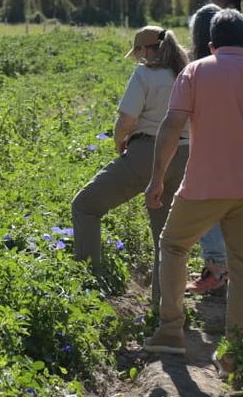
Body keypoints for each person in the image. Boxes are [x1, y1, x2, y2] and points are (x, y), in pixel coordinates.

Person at [143, 9, 243, 373]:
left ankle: (170, 331)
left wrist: (156, 179)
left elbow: (171, 129)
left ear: (212, 45)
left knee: (172, 246)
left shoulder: (196, 72)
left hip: (203, 186)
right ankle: (236, 350)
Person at [71, 26, 189, 306]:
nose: (138, 58)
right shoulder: (188, 74)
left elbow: (127, 120)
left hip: (148, 152)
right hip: (185, 156)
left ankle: (89, 290)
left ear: (147, 50)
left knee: (85, 206)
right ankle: (166, 311)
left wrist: (119, 141)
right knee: (166, 237)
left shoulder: (145, 74)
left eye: (138, 52)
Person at [186, 0, 243, 296]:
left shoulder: (205, 66)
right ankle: (236, 273)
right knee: (242, 203)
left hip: (226, 140)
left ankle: (218, 269)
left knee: (209, 199)